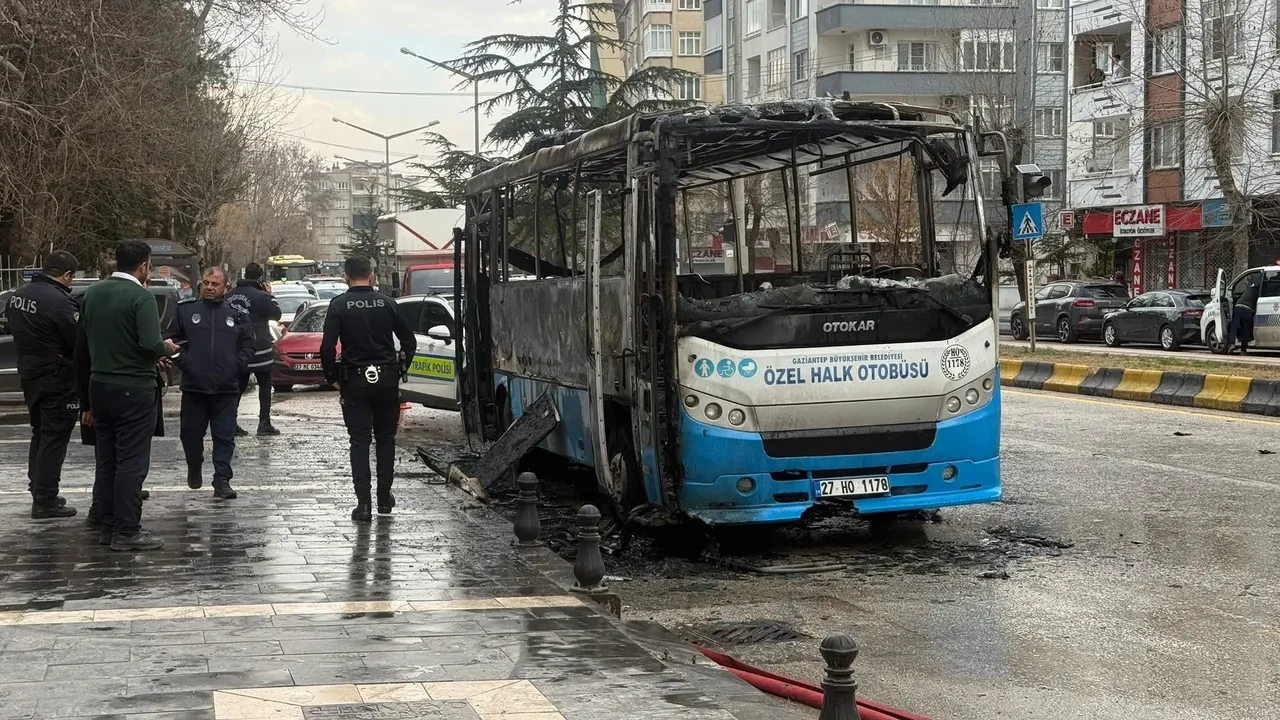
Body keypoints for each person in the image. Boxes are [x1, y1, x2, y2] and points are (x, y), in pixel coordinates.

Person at [79, 241, 178, 551]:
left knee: (106, 460)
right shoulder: (141, 297)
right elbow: (150, 344)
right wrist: (167, 348)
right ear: (143, 267)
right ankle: (127, 531)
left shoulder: (92, 294)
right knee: (131, 463)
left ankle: (107, 526)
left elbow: (83, 342)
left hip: (99, 386)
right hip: (133, 387)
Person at [320, 256, 415, 522]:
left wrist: (331, 377)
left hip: (355, 382)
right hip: (386, 380)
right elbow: (409, 339)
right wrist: (401, 369)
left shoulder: (338, 305)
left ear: (345, 277)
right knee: (386, 439)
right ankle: (384, 498)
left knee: (359, 442)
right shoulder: (387, 303)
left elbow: (327, 346)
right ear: (371, 275)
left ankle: (363, 505)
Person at [8, 251, 82, 519]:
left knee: (40, 433)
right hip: (57, 379)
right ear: (66, 275)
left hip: (30, 375)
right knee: (54, 437)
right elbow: (78, 341)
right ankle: (45, 499)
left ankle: (39, 488)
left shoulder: (18, 295)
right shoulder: (61, 302)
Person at [174, 268, 254, 499]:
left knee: (224, 436)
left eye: (215, 284)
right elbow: (172, 340)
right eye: (206, 283)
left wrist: (236, 365)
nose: (209, 287)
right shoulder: (186, 311)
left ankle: (222, 480)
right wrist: (184, 362)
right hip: (194, 388)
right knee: (190, 435)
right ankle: (194, 465)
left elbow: (248, 346)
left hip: (225, 388)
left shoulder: (236, 315)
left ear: (225, 288)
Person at [226, 262, 281, 436]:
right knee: (265, 387)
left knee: (237, 387)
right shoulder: (261, 296)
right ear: (259, 277)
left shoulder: (229, 295)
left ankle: (230, 423)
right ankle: (264, 424)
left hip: (237, 349)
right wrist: (269, 295)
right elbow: (276, 314)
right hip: (260, 349)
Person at [1231, 274, 1261, 354]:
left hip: (1238, 306)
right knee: (1246, 329)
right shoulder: (1259, 289)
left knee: (1234, 326)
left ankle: (1231, 344)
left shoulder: (1249, 287)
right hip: (1248, 309)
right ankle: (1243, 350)